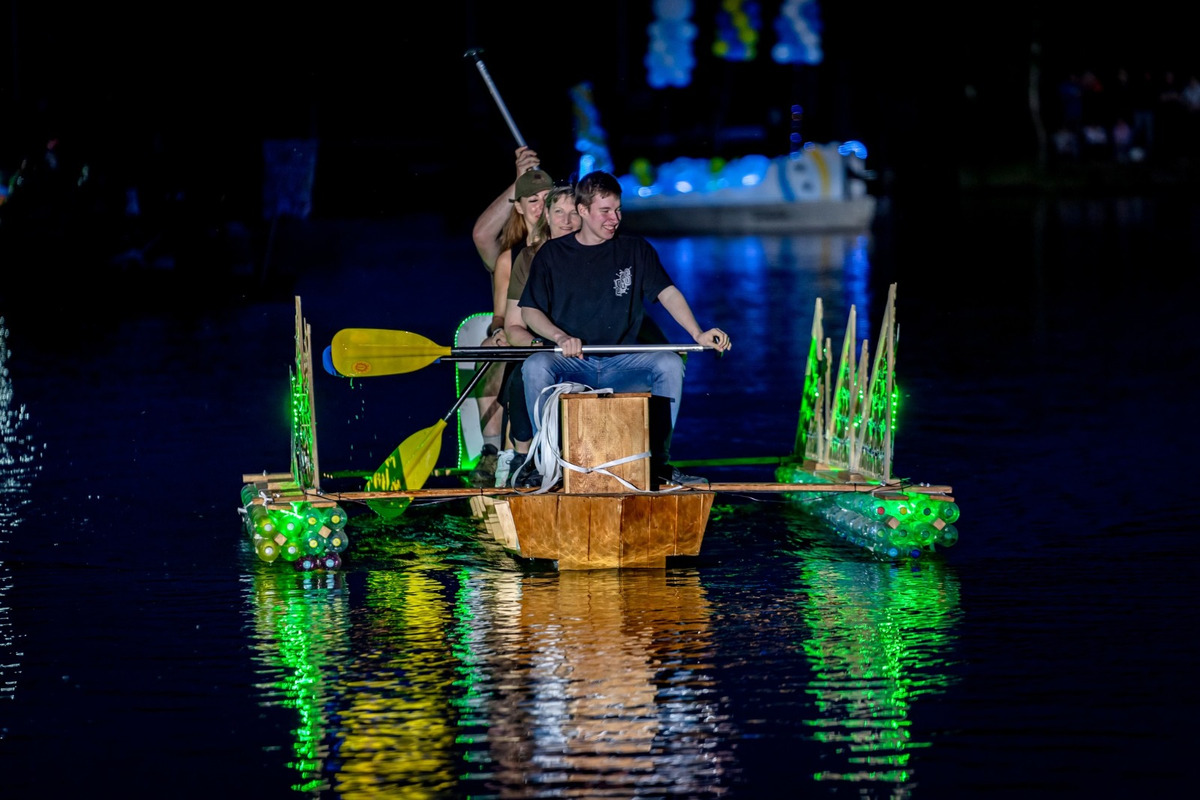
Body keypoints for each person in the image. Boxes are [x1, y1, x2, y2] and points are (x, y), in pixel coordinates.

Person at [516, 170, 732, 490]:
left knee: (669, 363)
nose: (614, 219)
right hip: (574, 364)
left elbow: (667, 293)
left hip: (623, 362)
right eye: (605, 211)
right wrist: (560, 338)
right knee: (535, 366)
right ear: (583, 211)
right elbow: (530, 311)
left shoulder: (635, 250)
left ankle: (658, 463)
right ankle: (546, 463)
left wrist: (697, 334)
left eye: (618, 210)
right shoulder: (552, 254)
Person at [466, 148, 552, 486]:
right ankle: (490, 451)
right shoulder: (509, 254)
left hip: (552, 340)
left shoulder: (564, 243)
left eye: (548, 200)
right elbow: (481, 235)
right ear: (519, 205)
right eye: (532, 200)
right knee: (492, 354)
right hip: (516, 337)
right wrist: (517, 183)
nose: (541, 208)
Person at [495, 182, 582, 486]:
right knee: (524, 374)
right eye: (559, 212)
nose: (567, 220)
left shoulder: (604, 254)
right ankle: (523, 457)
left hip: (592, 355)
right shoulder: (527, 259)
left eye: (574, 212)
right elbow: (514, 325)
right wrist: (541, 344)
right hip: (545, 353)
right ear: (547, 215)